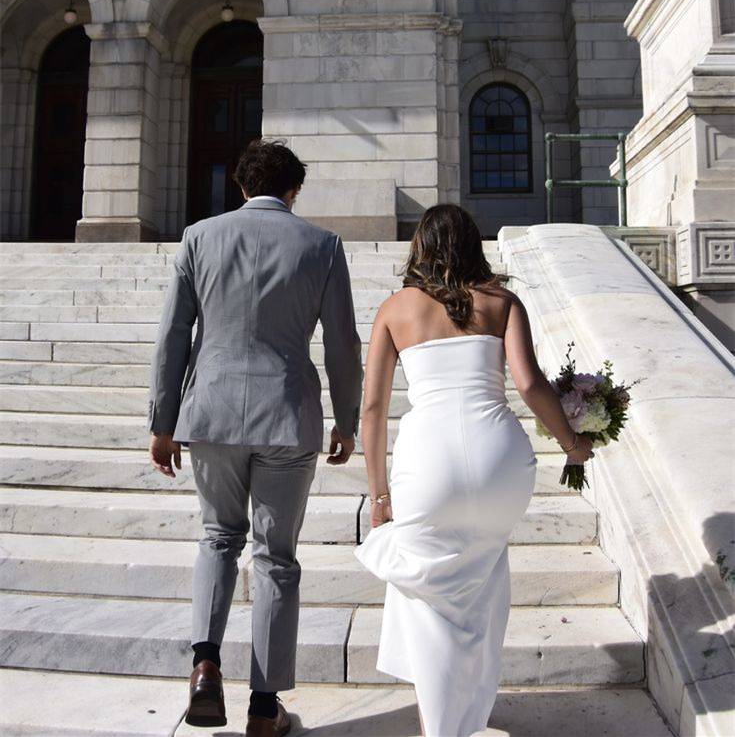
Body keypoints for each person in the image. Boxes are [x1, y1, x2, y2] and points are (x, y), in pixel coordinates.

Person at [147, 139, 363, 736]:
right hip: (288, 417)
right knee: (276, 559)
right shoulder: (321, 245)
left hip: (211, 414)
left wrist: (163, 422)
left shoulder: (199, 237)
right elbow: (342, 343)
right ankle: (265, 708)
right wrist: (347, 418)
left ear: (241, 186)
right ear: (293, 190)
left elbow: (173, 335)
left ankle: (204, 664)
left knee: (218, 537)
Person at [354, 203, 594, 737]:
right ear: (472, 245)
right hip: (499, 462)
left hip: (428, 463)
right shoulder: (502, 301)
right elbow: (530, 385)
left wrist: (379, 498)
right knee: (483, 581)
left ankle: (442, 726)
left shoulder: (395, 309)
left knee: (427, 594)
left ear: (420, 246)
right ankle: (467, 713)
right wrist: (573, 443)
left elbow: (371, 410)